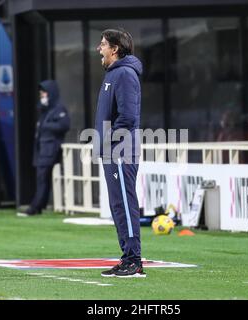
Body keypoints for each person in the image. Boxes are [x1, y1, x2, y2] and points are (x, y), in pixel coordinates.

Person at [94, 29, 145, 278]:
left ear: (114, 49)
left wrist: (106, 140)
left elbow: (127, 118)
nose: (98, 49)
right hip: (112, 151)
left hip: (121, 151)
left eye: (103, 44)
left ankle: (134, 261)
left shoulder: (124, 74)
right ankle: (127, 258)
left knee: (125, 205)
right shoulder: (114, 74)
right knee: (118, 206)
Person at [17, 80, 70, 217]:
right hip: (42, 149)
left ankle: (34, 207)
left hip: (50, 149)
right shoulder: (45, 110)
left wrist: (46, 127)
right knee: (42, 178)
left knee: (42, 178)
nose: (42, 96)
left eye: (44, 93)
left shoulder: (59, 109)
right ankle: (40, 205)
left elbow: (64, 126)